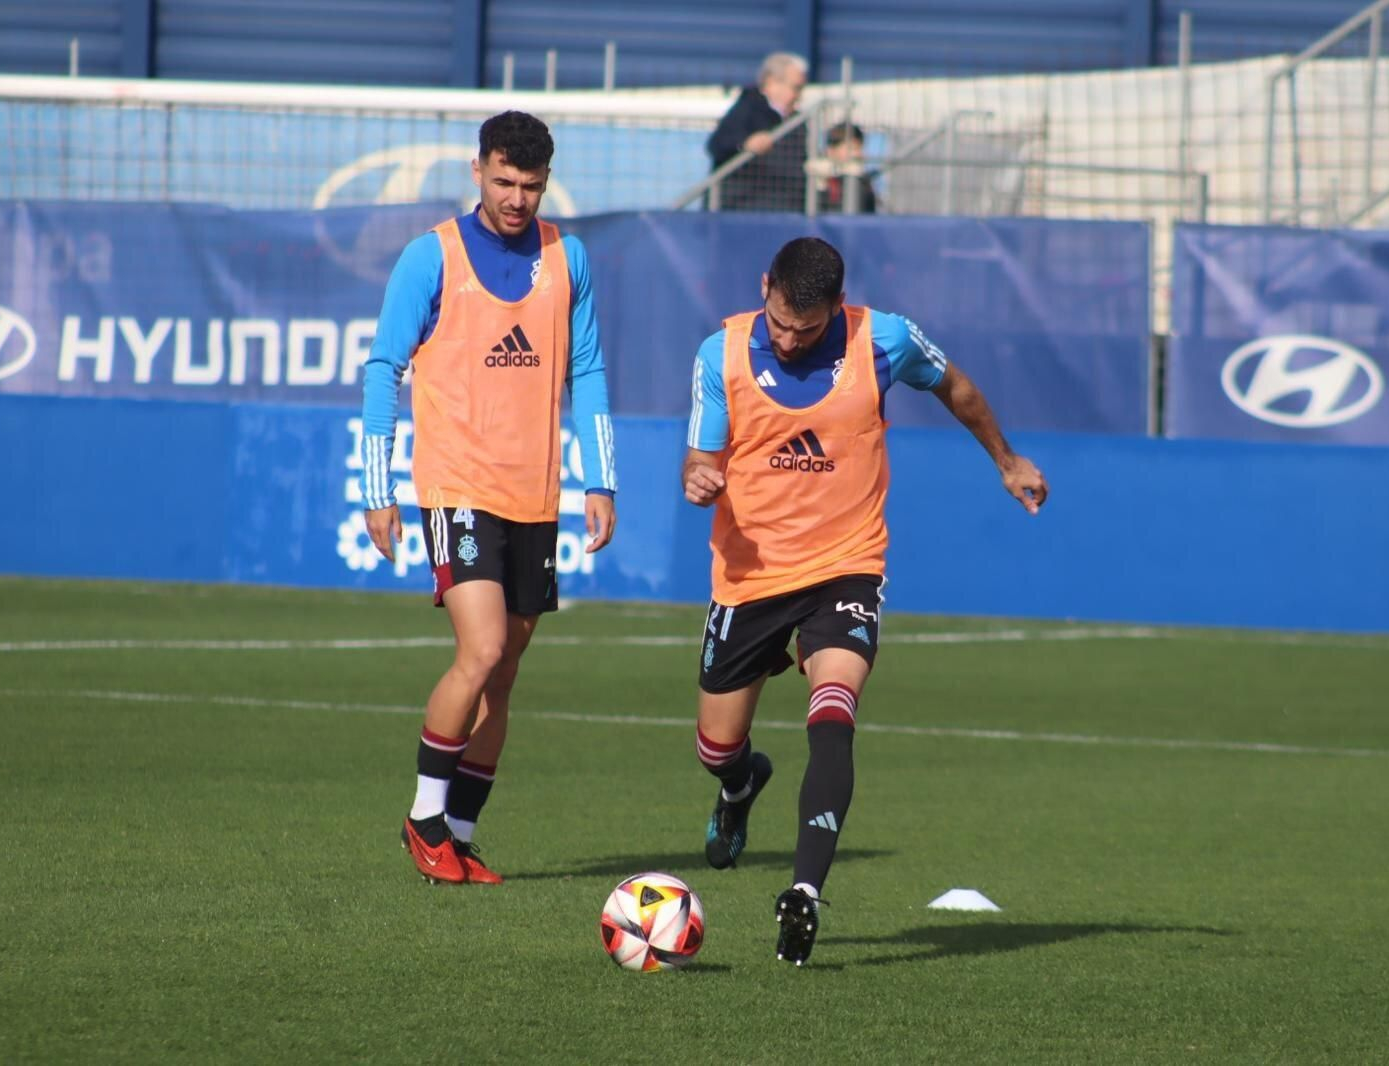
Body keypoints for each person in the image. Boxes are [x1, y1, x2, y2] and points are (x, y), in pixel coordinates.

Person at [681, 237, 1047, 963]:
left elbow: (957, 388)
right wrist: (697, 477)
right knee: (715, 746)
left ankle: (804, 893)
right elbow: (701, 456)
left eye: (807, 329)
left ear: (837, 309)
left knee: (834, 712)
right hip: (751, 576)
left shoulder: (883, 340)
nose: (789, 340)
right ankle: (738, 786)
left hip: (846, 564)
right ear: (764, 285)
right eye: (779, 323)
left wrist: (1007, 462)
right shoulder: (718, 355)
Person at [360, 110, 618, 885]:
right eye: (503, 181)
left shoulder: (569, 257)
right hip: (458, 486)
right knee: (481, 650)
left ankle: (461, 835)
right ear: (477, 171)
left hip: (534, 495)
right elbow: (384, 368)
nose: (516, 198)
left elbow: (589, 371)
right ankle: (423, 818)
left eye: (530, 186)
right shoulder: (430, 256)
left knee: (503, 676)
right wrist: (378, 487)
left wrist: (600, 479)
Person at [706, 52, 810, 212]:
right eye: (795, 88)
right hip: (743, 207)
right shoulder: (747, 108)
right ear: (771, 82)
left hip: (786, 208)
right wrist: (745, 143)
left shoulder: (796, 122)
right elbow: (717, 144)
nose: (798, 96)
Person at [813, 122, 878, 214]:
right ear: (831, 150)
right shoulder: (815, 177)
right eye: (852, 148)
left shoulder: (862, 182)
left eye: (860, 148)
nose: (858, 154)